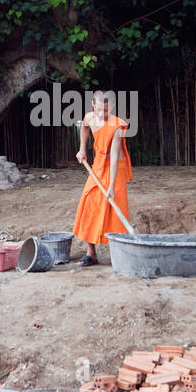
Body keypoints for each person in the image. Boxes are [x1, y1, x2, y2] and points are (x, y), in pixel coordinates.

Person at [72, 91, 133, 267]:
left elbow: (114, 157)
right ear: (93, 105)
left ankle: (121, 253)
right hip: (98, 164)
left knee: (114, 208)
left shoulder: (117, 127)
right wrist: (82, 149)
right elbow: (84, 127)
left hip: (115, 168)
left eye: (105, 111)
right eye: (99, 110)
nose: (102, 114)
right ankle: (91, 253)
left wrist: (111, 186)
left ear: (112, 107)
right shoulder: (89, 117)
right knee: (89, 201)